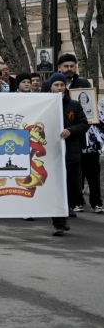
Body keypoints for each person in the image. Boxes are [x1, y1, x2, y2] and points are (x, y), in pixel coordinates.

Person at [47, 72, 88, 236]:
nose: (59, 88)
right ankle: (58, 221)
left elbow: (84, 124)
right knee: (55, 189)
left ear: (65, 87)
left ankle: (65, 209)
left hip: (71, 152)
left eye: (62, 85)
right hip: (50, 153)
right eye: (56, 85)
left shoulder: (74, 105)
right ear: (50, 87)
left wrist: (70, 130)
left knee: (75, 186)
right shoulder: (44, 104)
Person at [80, 103, 104, 214]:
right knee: (78, 178)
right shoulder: (74, 108)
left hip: (93, 150)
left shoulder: (97, 109)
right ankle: (77, 202)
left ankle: (97, 203)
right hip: (78, 150)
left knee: (94, 178)